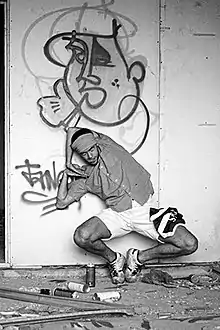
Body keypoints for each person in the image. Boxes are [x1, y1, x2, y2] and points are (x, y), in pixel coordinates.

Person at [56, 127, 198, 284]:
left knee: (189, 244)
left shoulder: (109, 147)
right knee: (81, 236)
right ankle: (115, 260)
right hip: (118, 214)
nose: (90, 156)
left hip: (145, 211)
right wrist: (66, 173)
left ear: (97, 144)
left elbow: (71, 130)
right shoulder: (85, 176)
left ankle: (137, 258)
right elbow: (61, 202)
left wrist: (68, 160)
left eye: (91, 149)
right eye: (84, 153)